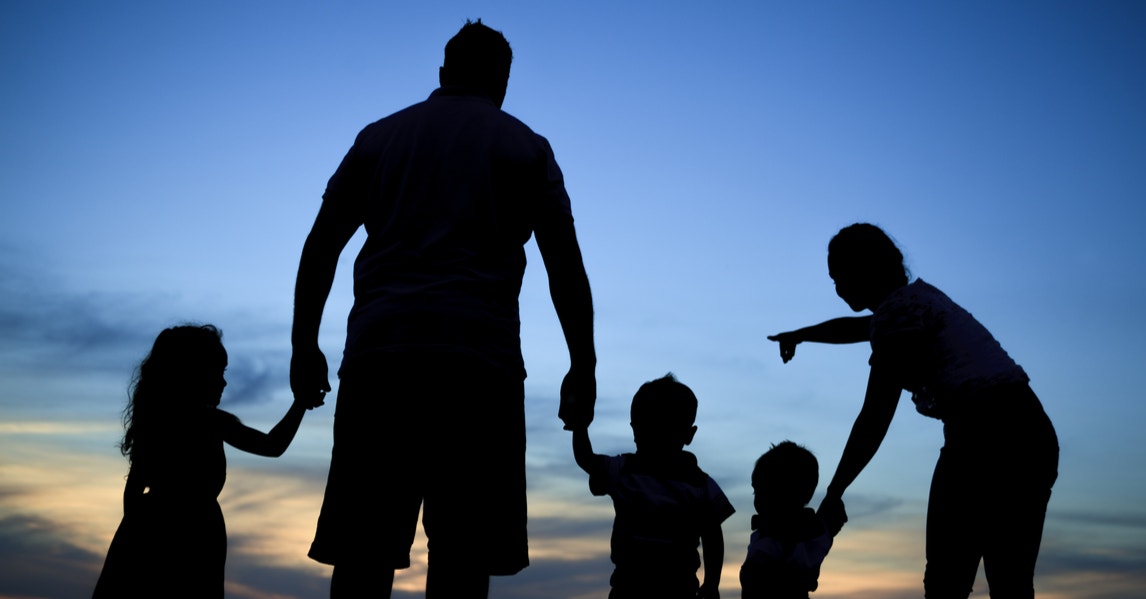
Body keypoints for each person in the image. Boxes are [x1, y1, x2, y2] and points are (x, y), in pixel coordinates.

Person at [289, 20, 596, 599]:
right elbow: (565, 269)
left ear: (442, 73)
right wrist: (584, 365)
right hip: (480, 365)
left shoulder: (380, 137)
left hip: (381, 357)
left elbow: (321, 245)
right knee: (463, 554)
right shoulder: (526, 147)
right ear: (503, 80)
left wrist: (304, 344)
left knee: (363, 550)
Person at [768, 223, 1059, 598]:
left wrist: (835, 490)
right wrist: (802, 334)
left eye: (842, 276)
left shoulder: (900, 314)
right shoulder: (917, 301)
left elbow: (875, 415)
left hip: (986, 435)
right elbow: (858, 328)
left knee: (947, 579)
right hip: (1029, 431)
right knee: (1010, 578)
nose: (837, 288)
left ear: (868, 269)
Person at [93, 324, 317, 598]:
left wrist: (135, 539)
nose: (223, 382)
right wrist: (300, 404)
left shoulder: (155, 424)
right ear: (192, 373)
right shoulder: (210, 421)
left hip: (149, 527)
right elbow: (272, 446)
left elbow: (133, 492)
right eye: (217, 372)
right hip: (195, 534)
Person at [573, 374, 734, 599]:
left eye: (662, 428)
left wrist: (579, 426)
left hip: (667, 588)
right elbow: (713, 536)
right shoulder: (697, 483)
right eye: (645, 427)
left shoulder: (697, 483)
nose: (651, 436)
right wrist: (711, 584)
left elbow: (586, 459)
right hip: (637, 587)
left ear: (688, 434)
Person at [739, 441, 845, 599]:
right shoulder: (815, 533)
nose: (757, 499)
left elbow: (754, 574)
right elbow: (831, 526)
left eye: (759, 491)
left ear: (780, 494)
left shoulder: (774, 537)